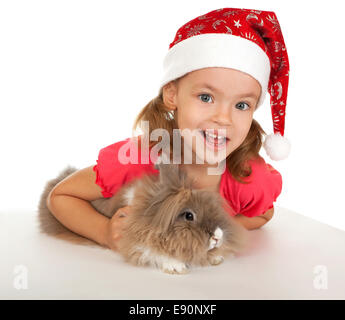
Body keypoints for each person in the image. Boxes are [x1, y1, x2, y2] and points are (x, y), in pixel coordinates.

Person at [46, 7, 291, 251]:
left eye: (241, 105)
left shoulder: (250, 179)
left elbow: (264, 213)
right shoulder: (138, 160)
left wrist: (217, 229)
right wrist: (104, 233)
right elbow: (62, 196)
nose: (223, 118)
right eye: (206, 97)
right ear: (172, 95)